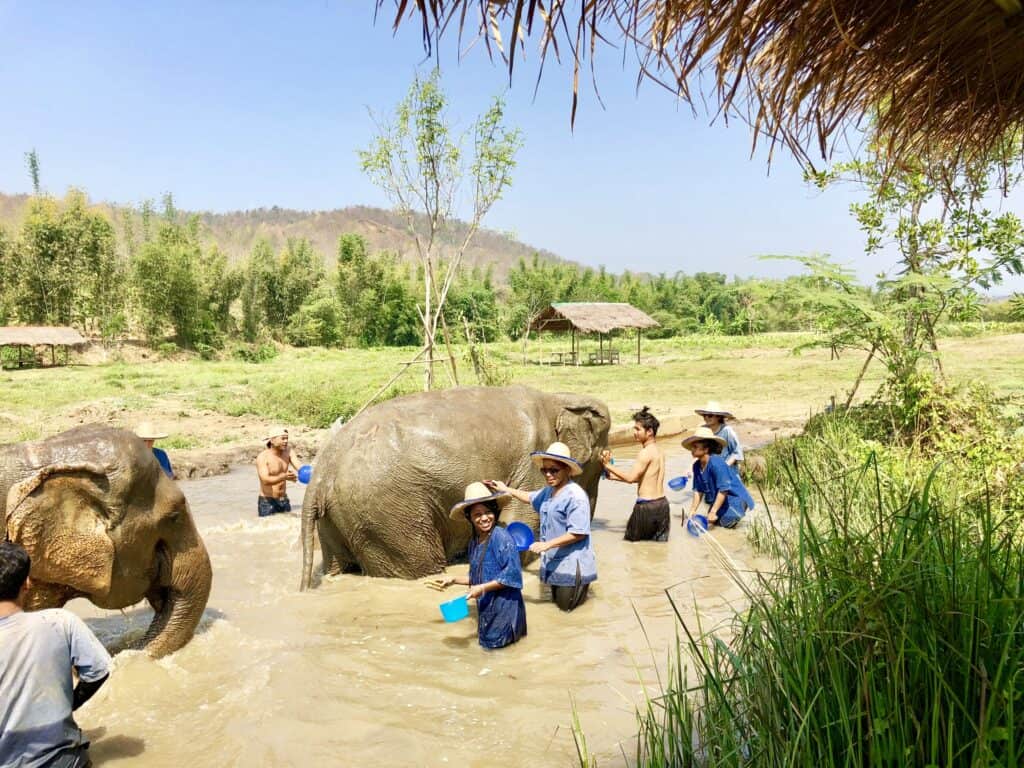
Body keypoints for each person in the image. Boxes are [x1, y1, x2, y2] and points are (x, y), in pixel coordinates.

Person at [0, 541, 112, 768]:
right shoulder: (60, 622)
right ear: (27, 584)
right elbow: (99, 671)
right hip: (66, 761)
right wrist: (69, 702)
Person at [486, 442, 597, 612]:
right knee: (558, 610)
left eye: (554, 470)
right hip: (555, 563)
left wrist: (546, 545)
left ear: (567, 469)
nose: (548, 474)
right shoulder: (549, 492)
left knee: (567, 614)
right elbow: (529, 497)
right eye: (544, 470)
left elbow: (579, 533)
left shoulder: (576, 497)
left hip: (572, 568)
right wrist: (505, 488)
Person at [441, 482, 527, 649]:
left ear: (494, 512)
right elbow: (477, 577)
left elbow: (513, 575)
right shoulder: (474, 542)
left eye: (488, 512)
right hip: (488, 609)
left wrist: (481, 589)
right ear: (470, 518)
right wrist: (453, 579)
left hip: (505, 612)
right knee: (490, 653)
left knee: (498, 655)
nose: (484, 518)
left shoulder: (501, 537)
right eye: (477, 515)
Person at [600, 406, 669, 541]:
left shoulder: (645, 452)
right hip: (662, 505)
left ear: (649, 431)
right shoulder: (659, 452)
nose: (634, 432)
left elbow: (631, 478)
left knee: (632, 546)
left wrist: (608, 465)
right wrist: (613, 476)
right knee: (658, 548)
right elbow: (643, 479)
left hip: (646, 507)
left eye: (638, 429)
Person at [682, 427, 754, 529]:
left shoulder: (717, 463)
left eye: (695, 446)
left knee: (723, 526)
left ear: (706, 449)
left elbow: (723, 490)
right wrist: (692, 512)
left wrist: (713, 511)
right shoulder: (697, 466)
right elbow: (698, 491)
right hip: (722, 499)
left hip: (735, 500)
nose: (692, 450)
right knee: (710, 524)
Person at [256, 426, 300, 517]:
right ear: (272, 440)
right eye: (283, 439)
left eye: (287, 438)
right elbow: (265, 480)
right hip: (267, 502)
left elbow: (299, 467)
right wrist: (284, 477)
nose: (286, 441)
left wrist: (310, 473)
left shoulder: (288, 451)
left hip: (283, 500)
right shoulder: (263, 457)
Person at [694, 401, 744, 470]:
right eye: (704, 415)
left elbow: (736, 453)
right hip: (710, 471)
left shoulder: (727, 431)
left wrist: (724, 467)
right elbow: (699, 451)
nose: (707, 418)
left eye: (710, 415)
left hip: (728, 471)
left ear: (719, 417)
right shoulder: (703, 430)